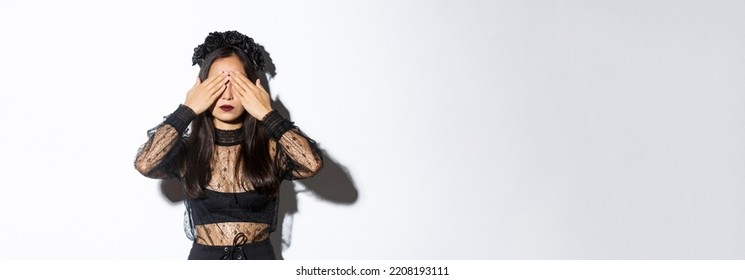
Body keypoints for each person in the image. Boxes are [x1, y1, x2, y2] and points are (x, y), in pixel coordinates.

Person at [134, 30, 323, 260]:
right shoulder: (189, 150)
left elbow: (311, 164)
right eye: (217, 84)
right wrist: (187, 109)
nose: (227, 94)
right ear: (202, 88)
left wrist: (267, 113)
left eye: (237, 83)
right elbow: (145, 163)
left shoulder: (271, 149)